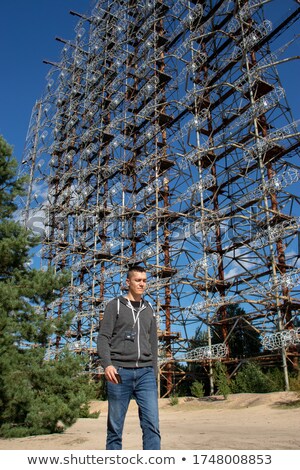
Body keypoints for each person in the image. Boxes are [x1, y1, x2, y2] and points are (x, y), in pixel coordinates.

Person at [97, 265, 161, 450]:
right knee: (115, 428)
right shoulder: (115, 305)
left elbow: (153, 343)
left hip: (145, 373)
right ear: (128, 282)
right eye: (137, 280)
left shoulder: (149, 309)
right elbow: (103, 337)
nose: (142, 284)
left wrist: (153, 370)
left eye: (144, 280)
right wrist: (107, 364)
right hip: (119, 373)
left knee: (152, 426)